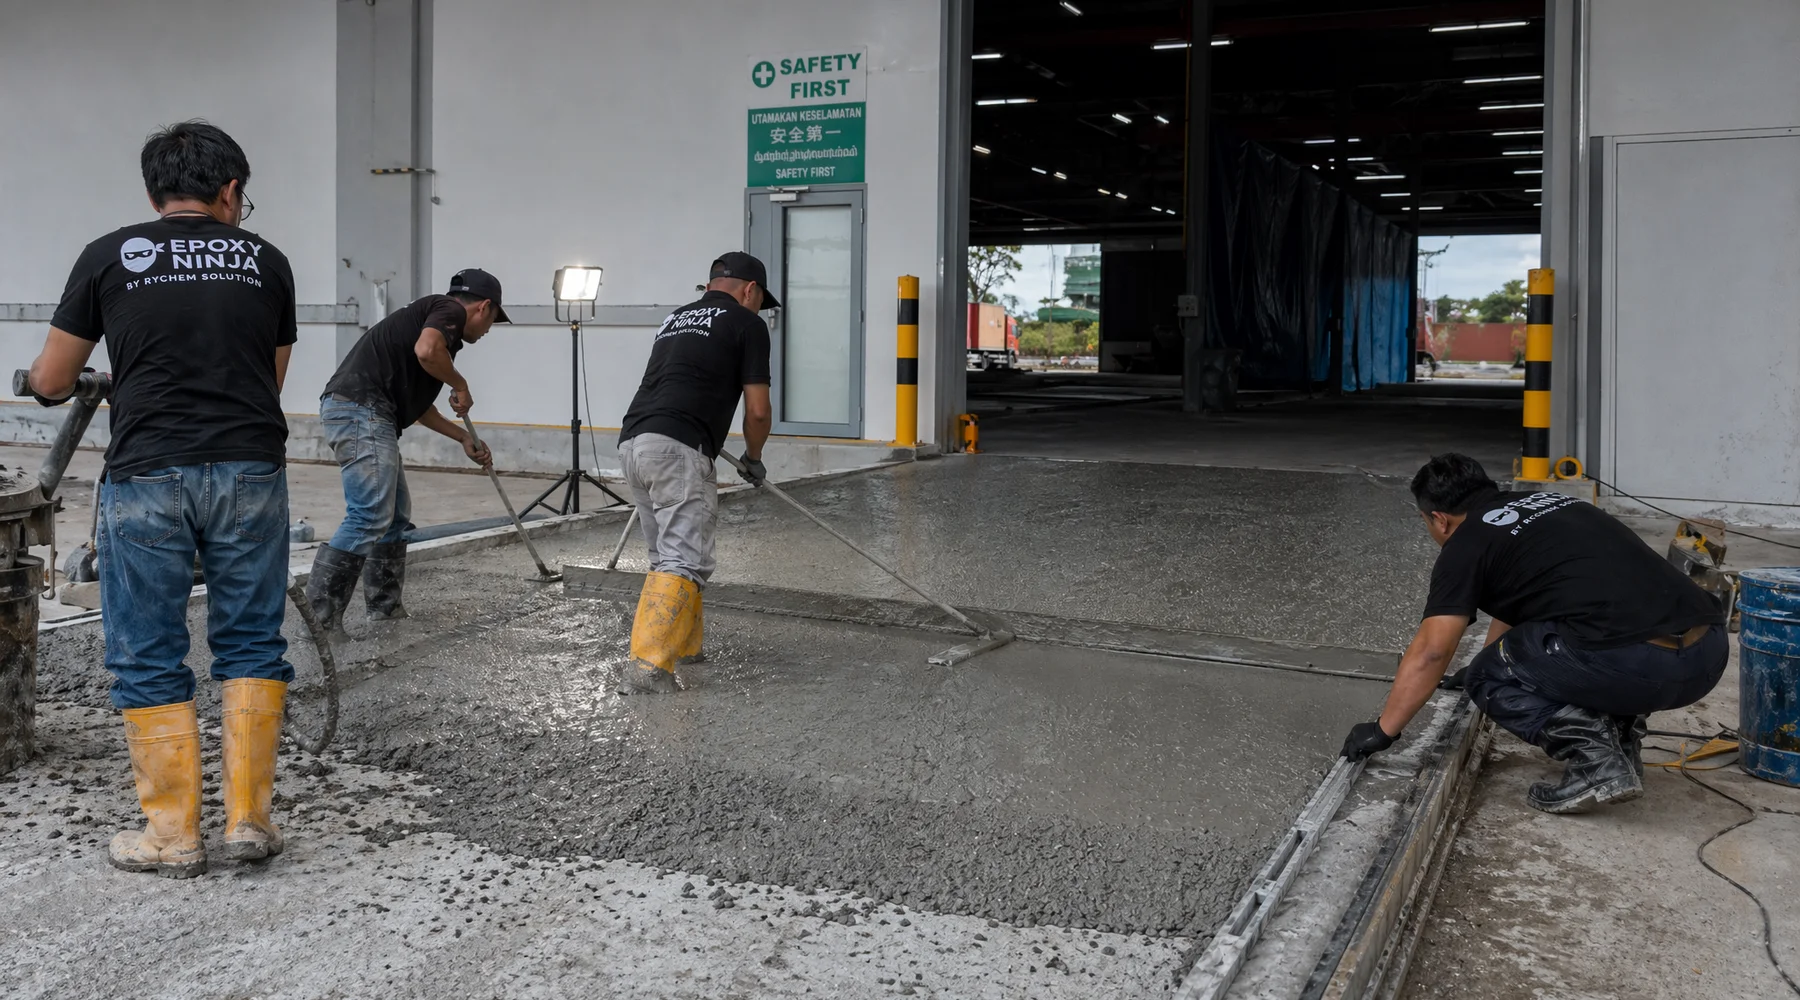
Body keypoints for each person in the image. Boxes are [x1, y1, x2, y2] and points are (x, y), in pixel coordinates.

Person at [28, 120, 297, 877]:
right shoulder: (266, 262)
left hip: (148, 470)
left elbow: (52, 381)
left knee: (148, 652)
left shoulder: (111, 254)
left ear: (153, 192)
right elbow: (265, 383)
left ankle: (173, 836)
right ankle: (248, 822)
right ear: (232, 191)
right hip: (250, 469)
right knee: (251, 643)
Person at [1340, 453, 1728, 814]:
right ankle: (1623, 745)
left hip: (1642, 667)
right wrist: (1491, 652)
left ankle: (1597, 760)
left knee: (1487, 677)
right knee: (1573, 634)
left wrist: (1383, 730)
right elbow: (1528, 601)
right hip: (1707, 656)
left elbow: (1431, 652)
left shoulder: (1466, 545)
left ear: (1438, 519)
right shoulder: (1556, 504)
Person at [613, 252, 775, 694]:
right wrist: (754, 458)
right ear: (750, 290)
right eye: (761, 299)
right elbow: (758, 412)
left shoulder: (674, 318)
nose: (760, 307)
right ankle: (648, 669)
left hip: (634, 442)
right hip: (679, 448)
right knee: (684, 560)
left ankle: (685, 647)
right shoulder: (747, 323)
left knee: (666, 558)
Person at [304, 271, 504, 629]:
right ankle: (320, 621)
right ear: (484, 307)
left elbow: (420, 408)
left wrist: (462, 438)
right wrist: (460, 383)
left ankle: (384, 610)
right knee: (369, 515)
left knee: (394, 517)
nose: (489, 330)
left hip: (365, 410)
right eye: (492, 320)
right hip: (361, 409)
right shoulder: (447, 312)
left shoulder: (434, 333)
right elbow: (427, 351)